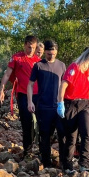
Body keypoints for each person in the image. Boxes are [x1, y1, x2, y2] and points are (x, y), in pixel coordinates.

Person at [59, 46, 89, 173]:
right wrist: (60, 102)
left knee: (87, 134)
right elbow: (63, 85)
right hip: (71, 103)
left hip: (85, 104)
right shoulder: (74, 67)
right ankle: (67, 165)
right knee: (71, 137)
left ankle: (84, 164)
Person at [0, 35, 40, 157]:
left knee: (40, 122)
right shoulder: (17, 58)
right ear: (25, 45)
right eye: (29, 47)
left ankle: (40, 149)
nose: (31, 50)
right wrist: (1, 90)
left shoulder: (38, 61)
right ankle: (27, 151)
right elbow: (7, 74)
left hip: (38, 95)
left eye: (33, 48)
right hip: (23, 94)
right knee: (26, 122)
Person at [27, 40, 66, 168]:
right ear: (45, 52)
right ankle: (46, 163)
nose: (51, 56)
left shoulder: (62, 66)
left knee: (62, 135)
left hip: (58, 106)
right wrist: (30, 102)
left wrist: (65, 103)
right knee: (45, 136)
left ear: (57, 52)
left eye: (53, 53)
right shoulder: (38, 66)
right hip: (43, 107)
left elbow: (65, 85)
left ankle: (64, 162)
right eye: (49, 54)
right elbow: (30, 85)